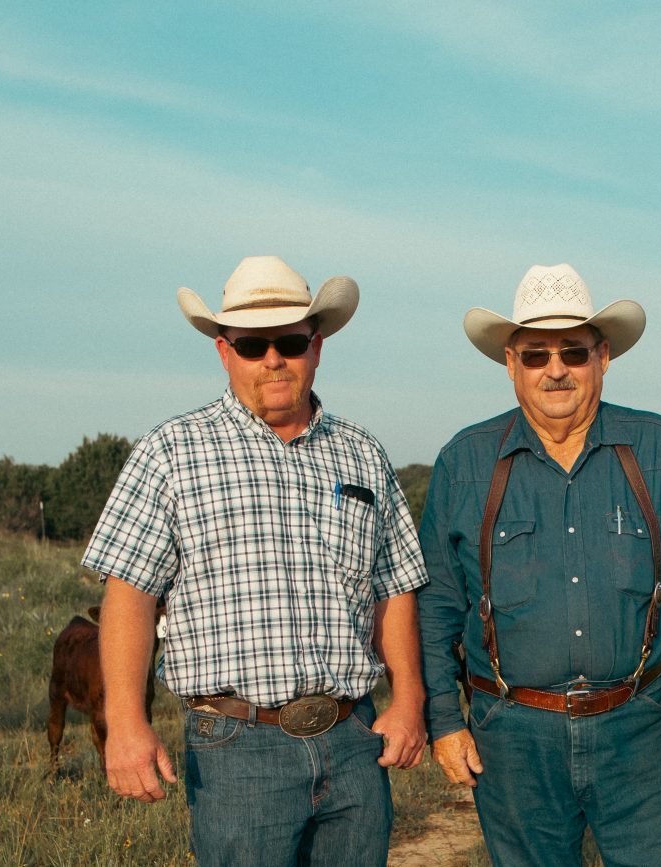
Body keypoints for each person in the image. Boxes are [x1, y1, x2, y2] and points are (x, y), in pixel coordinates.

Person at [82, 255, 428, 866]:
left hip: (351, 739)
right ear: (224, 352)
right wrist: (126, 726)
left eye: (290, 341)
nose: (273, 358)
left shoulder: (363, 454)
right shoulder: (171, 453)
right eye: (252, 345)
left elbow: (394, 588)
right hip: (236, 748)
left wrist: (408, 701)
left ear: (316, 347)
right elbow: (129, 597)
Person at [417, 263, 661, 866]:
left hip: (637, 726)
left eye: (573, 351)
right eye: (536, 355)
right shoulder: (465, 463)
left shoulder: (659, 449)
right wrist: (443, 719)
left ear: (603, 356)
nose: (556, 369)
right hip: (512, 734)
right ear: (510, 364)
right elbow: (437, 605)